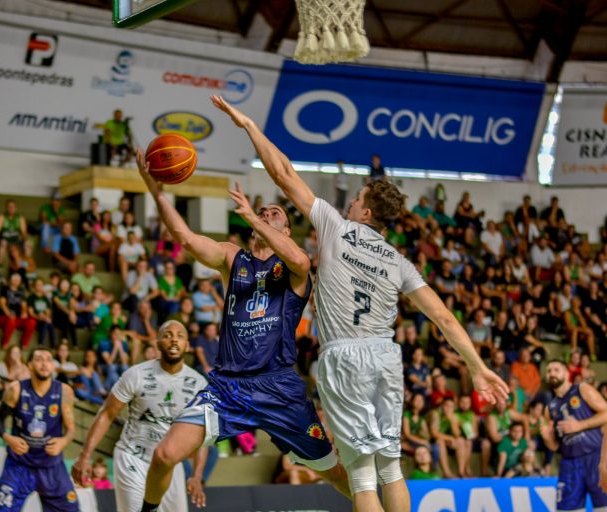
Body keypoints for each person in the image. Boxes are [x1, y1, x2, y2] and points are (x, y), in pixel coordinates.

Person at [211, 95, 508, 512]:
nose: (349, 202)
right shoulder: (399, 262)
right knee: (392, 469)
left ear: (366, 213)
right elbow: (442, 316)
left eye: (356, 199)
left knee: (362, 478)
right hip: (385, 355)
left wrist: (249, 126)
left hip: (345, 357)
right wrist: (476, 367)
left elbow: (282, 172)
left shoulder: (335, 227)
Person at [135, 148, 352, 512]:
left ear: (286, 231)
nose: (266, 214)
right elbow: (185, 238)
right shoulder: (232, 257)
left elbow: (300, 260)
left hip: (279, 387)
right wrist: (155, 189)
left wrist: (252, 216)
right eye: (262, 212)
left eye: (275, 214)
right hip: (229, 386)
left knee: (332, 472)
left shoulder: (294, 266)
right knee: (164, 455)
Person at [72, 321, 208, 512]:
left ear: (187, 345)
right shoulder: (136, 375)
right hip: (133, 458)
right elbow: (107, 414)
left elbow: (202, 435)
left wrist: (196, 475)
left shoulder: (199, 384)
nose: (174, 340)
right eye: (167, 335)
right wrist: (84, 456)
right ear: (158, 344)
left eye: (180, 336)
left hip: (169, 464)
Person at [0, 348, 78, 512]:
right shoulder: (16, 389)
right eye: (38, 359)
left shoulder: (64, 391)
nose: (44, 363)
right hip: (19, 465)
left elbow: (71, 429)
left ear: (53, 366)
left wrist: (63, 441)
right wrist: (8, 438)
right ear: (29, 365)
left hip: (51, 466)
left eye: (48, 359)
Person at [541, 359, 607, 512]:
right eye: (549, 371)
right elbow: (556, 447)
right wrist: (547, 439)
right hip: (569, 464)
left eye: (556, 370)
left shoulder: (582, 389)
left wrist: (580, 425)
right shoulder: (549, 408)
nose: (552, 373)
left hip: (595, 458)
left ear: (566, 373)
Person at [0, 200, 28, 266]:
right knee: (3, 243)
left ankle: (26, 264)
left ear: (16, 208)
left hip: (16, 239)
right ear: (6, 208)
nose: (11, 209)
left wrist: (25, 241)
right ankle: (0, 264)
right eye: (9, 207)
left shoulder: (20, 218)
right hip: (5, 238)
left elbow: (24, 231)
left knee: (27, 245)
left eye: (13, 207)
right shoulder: (2, 217)